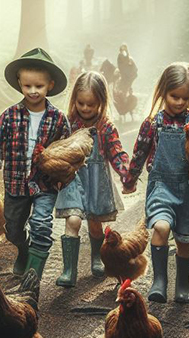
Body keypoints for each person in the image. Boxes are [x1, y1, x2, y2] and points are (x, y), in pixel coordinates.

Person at [123, 62, 189, 304]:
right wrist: (130, 181)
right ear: (163, 91)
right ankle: (159, 281)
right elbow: (139, 153)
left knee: (184, 241)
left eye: (186, 98)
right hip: (161, 186)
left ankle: (183, 283)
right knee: (160, 227)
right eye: (174, 96)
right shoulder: (153, 123)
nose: (180, 102)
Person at [0, 48, 71, 278]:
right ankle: (23, 248)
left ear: (49, 85)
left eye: (39, 86)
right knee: (12, 229)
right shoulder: (9, 116)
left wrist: (65, 177)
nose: (33, 91)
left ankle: (33, 277)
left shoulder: (58, 119)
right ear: (19, 83)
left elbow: (68, 152)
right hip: (15, 183)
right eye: (27, 86)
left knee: (41, 224)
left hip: (44, 183)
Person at [54, 71, 129, 287]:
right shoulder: (69, 124)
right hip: (73, 180)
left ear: (102, 102)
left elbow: (116, 152)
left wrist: (126, 173)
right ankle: (69, 270)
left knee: (95, 225)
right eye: (81, 103)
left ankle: (97, 257)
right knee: (74, 220)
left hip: (97, 181)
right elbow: (58, 149)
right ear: (74, 100)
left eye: (91, 104)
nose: (85, 108)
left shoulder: (105, 127)